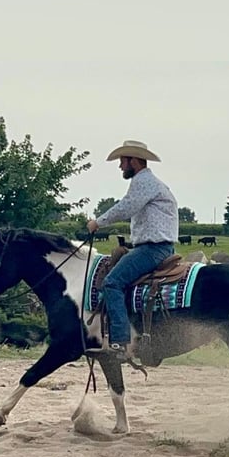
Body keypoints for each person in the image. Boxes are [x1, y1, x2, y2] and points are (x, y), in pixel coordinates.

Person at [86, 140, 178, 359]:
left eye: (122, 161)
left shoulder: (143, 181)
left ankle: (119, 339)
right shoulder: (151, 182)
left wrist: (97, 222)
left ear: (134, 161)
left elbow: (127, 207)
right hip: (157, 246)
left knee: (112, 282)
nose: (120, 167)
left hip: (153, 249)